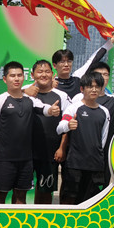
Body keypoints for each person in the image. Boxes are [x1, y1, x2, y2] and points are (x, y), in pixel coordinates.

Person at [0, 61, 60, 204]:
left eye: (19, 75)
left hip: (26, 159)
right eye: (12, 76)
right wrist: (3, 145)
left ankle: (18, 220)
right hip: (5, 159)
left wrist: (51, 110)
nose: (16, 79)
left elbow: (43, 108)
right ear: (5, 79)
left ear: (24, 77)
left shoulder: (30, 100)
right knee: (0, 196)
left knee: (21, 196)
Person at [56, 73, 110, 205]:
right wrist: (68, 125)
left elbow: (103, 139)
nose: (94, 90)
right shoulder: (73, 108)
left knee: (91, 201)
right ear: (82, 89)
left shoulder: (104, 111)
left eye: (97, 87)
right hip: (75, 163)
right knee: (69, 198)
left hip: (95, 164)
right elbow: (59, 128)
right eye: (90, 87)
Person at [29, 60, 72, 204]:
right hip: (26, 151)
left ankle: (41, 218)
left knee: (45, 191)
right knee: (20, 189)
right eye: (40, 72)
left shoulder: (62, 96)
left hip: (50, 152)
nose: (44, 75)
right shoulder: (25, 92)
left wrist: (62, 148)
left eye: (47, 72)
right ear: (32, 75)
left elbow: (67, 124)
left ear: (52, 74)